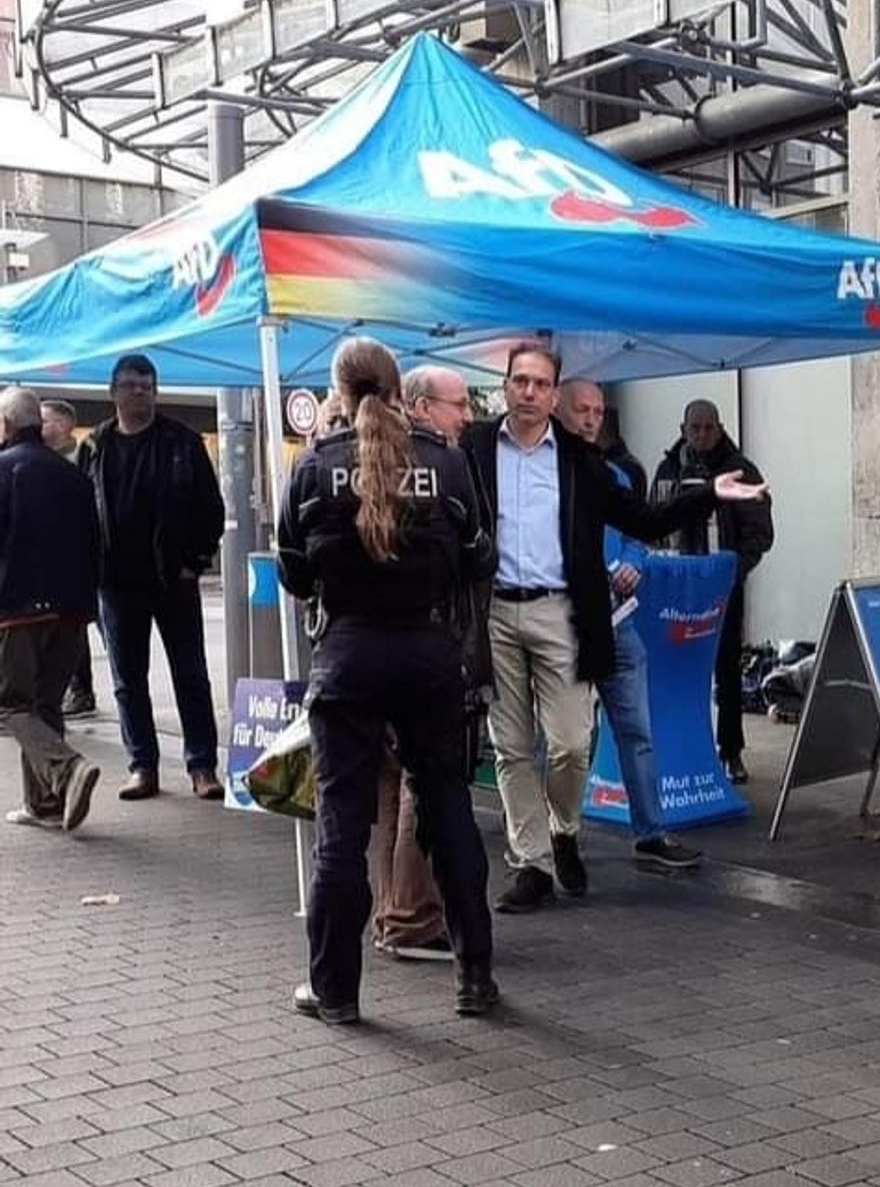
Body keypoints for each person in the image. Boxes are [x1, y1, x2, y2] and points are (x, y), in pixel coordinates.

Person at [464, 343, 767, 915]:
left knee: (572, 744)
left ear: (553, 395)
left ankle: (564, 827)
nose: (528, 392)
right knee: (510, 748)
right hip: (496, 613)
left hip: (563, 613)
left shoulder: (580, 463)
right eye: (519, 381)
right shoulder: (475, 448)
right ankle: (529, 863)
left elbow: (642, 519)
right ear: (506, 386)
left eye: (539, 384)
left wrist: (707, 494)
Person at [275, 338, 499, 1025]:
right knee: (449, 813)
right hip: (430, 657)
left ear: (339, 393)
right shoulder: (446, 462)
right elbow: (477, 556)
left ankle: (335, 991)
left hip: (346, 659)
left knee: (342, 827)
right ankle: (474, 981)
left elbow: (293, 572)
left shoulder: (313, 468)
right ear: (401, 390)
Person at [556, 380, 702, 875]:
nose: (592, 419)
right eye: (582, 409)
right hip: (566, 623)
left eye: (598, 410)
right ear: (560, 409)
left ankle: (650, 833)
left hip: (618, 622)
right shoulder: (546, 474)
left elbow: (642, 526)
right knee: (565, 743)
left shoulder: (615, 474)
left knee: (636, 730)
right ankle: (560, 836)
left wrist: (636, 560)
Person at [368, 364, 481, 964]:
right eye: (457, 404)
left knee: (389, 781)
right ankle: (411, 918)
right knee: (419, 780)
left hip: (361, 653)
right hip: (422, 646)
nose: (466, 415)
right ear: (416, 405)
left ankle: (392, 912)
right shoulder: (440, 466)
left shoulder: (353, 458)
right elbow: (471, 555)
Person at [84, 354, 227, 802]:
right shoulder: (94, 447)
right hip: (116, 582)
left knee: (191, 674)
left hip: (173, 580)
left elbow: (211, 508)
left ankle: (202, 766)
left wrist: (195, 561)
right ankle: (142, 765)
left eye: (148, 385)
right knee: (128, 679)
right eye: (131, 385)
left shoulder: (182, 442)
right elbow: (81, 511)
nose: (140, 392)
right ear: (114, 393)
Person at [651, 399, 774, 784]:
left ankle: (731, 751)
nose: (702, 434)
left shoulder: (742, 469)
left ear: (720, 428)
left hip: (722, 587)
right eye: (695, 428)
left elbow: (760, 531)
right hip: (677, 588)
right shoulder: (668, 469)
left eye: (709, 427)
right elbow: (652, 519)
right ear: (683, 429)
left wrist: (734, 570)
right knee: (677, 669)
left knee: (727, 668)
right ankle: (680, 750)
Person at [0, 387, 102, 834]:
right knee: (44, 705)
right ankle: (43, 804)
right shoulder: (73, 475)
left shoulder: (4, 470)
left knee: (11, 705)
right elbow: (96, 541)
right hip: (72, 610)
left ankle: (66, 769)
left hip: (18, 609)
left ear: (5, 424)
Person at [40, 400, 98, 720]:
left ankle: (81, 690)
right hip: (58, 562)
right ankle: (74, 690)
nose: (39, 426)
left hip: (81, 561)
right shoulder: (43, 459)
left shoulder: (81, 460)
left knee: (81, 628)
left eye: (45, 420)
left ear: (63, 426)